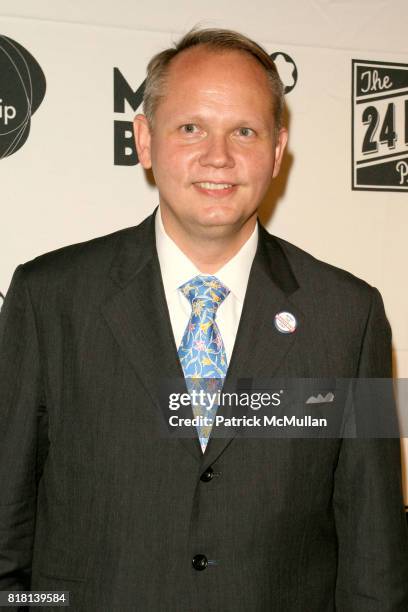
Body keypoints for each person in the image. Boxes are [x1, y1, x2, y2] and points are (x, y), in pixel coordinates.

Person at [0, 27, 407, 611]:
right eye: (190, 128)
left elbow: (376, 557)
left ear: (276, 150)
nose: (219, 156)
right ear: (144, 139)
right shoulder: (49, 299)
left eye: (244, 131)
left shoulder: (349, 315)